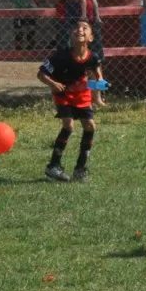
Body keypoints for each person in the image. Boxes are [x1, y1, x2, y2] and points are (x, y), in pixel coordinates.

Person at [37, 19, 103, 183]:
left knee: (90, 126)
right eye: (76, 28)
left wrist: (98, 96)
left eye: (84, 28)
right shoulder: (61, 56)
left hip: (82, 95)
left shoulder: (93, 57)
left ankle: (80, 169)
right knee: (68, 124)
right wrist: (53, 83)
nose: (79, 30)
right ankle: (53, 166)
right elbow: (41, 74)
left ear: (91, 37)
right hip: (64, 94)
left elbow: (98, 78)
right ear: (71, 35)